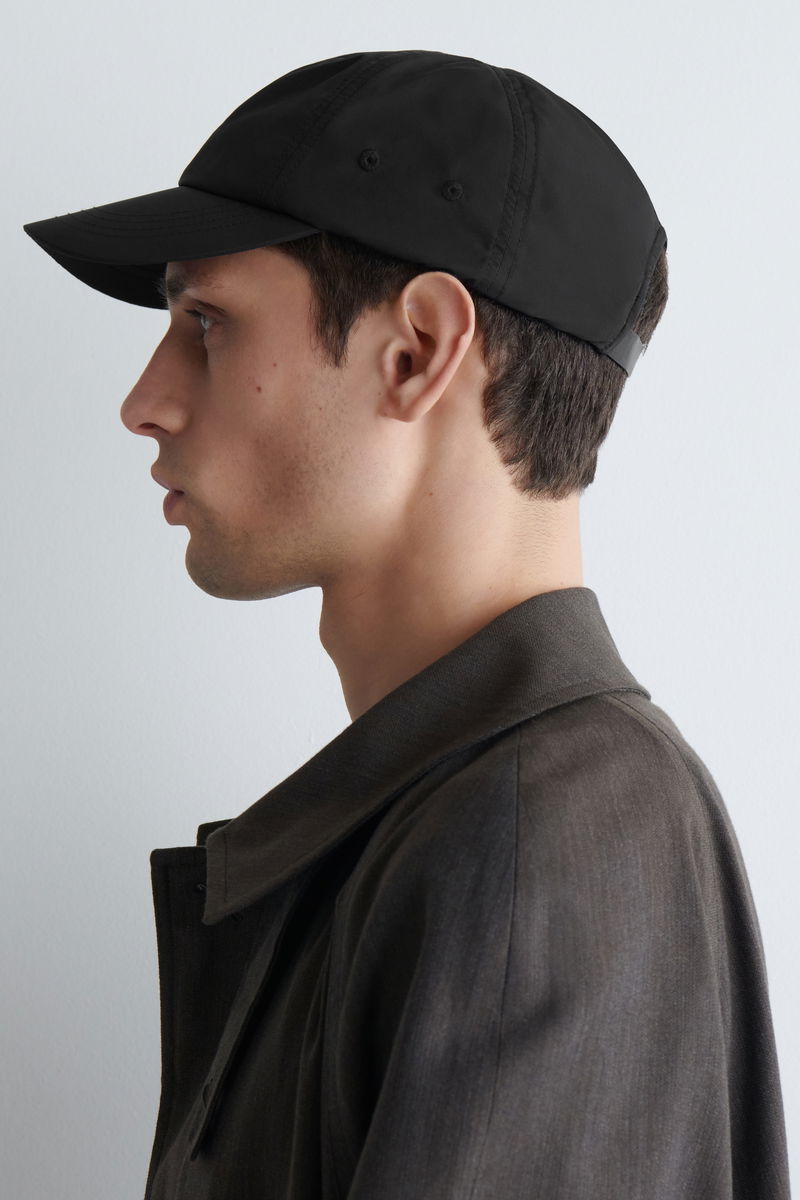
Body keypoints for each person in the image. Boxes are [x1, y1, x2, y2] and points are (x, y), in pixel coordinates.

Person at [23, 49, 790, 1200]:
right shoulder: (465, 819)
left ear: (419, 351)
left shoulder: (545, 837)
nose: (146, 401)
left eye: (207, 321)